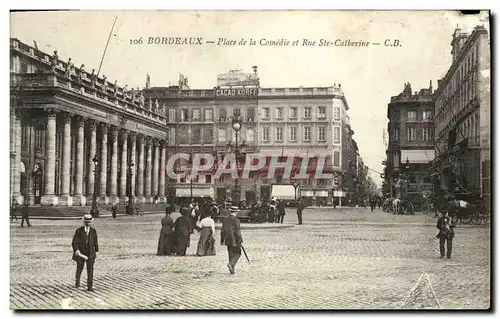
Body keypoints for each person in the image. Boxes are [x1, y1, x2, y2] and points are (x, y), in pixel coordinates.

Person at [72, 214, 99, 291]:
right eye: (86, 222)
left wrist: (96, 251)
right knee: (79, 268)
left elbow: (95, 242)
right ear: (84, 222)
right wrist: (77, 250)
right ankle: (77, 283)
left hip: (90, 253)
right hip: (81, 252)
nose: (88, 223)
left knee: (90, 269)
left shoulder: (93, 231)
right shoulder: (79, 231)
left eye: (89, 222)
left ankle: (89, 286)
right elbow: (74, 242)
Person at [221, 207, 243, 274]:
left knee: (230, 253)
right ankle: (231, 264)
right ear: (236, 212)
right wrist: (240, 239)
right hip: (235, 239)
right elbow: (237, 231)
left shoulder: (225, 219)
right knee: (238, 252)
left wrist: (222, 240)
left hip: (227, 238)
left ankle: (232, 269)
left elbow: (222, 230)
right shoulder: (236, 220)